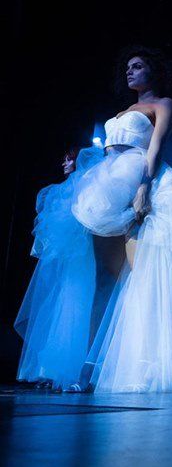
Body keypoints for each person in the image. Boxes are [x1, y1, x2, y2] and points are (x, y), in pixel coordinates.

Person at [75, 47, 172, 392]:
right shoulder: (122, 111)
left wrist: (143, 188)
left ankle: (147, 363)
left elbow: (156, 147)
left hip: (142, 183)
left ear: (153, 72)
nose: (130, 72)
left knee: (142, 274)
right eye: (127, 67)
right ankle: (92, 369)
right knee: (105, 278)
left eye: (138, 66)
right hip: (109, 188)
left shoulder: (164, 104)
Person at [15, 147, 93, 389]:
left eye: (69, 159)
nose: (64, 164)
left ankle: (68, 370)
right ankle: (49, 370)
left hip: (82, 252)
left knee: (73, 304)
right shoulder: (61, 189)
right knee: (60, 304)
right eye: (64, 160)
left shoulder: (83, 184)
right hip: (68, 256)